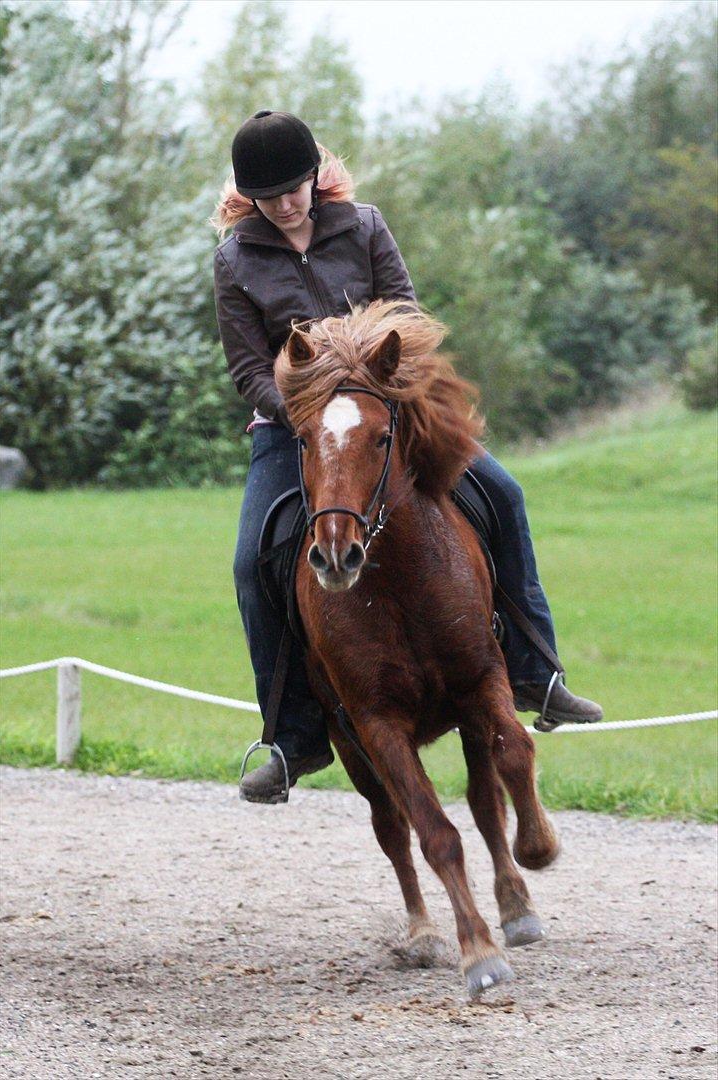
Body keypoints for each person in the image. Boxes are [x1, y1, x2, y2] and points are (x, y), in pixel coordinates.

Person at [213, 110, 602, 804]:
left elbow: (408, 315)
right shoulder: (235, 260)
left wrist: (370, 394)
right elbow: (248, 369)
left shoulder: (363, 225)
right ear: (250, 198)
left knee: (504, 493)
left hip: (390, 411)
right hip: (295, 426)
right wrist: (308, 413)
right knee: (251, 560)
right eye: (269, 197)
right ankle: (292, 736)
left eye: (294, 188)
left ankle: (535, 671)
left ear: (314, 176)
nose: (285, 204)